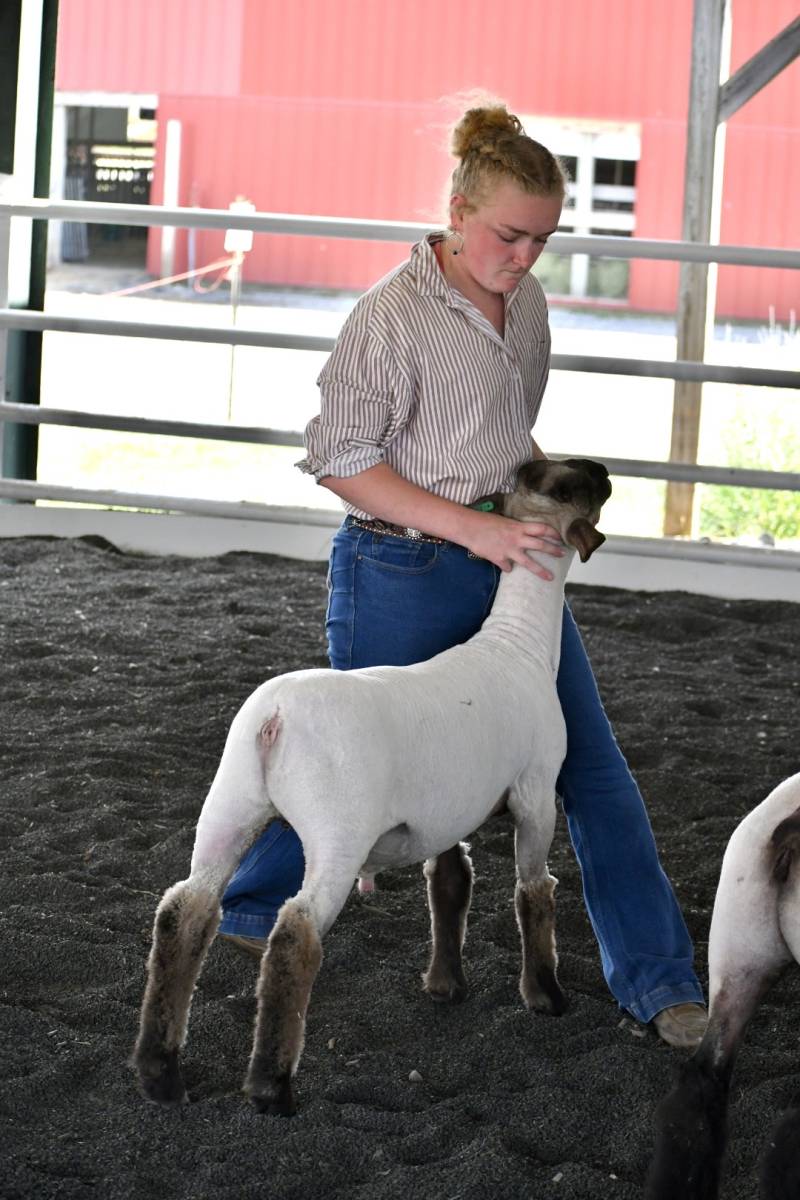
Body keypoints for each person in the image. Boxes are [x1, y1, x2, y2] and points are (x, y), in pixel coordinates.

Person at [219, 101, 707, 1049]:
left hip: (508, 562)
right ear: (456, 210)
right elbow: (338, 459)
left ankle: (658, 980)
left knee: (592, 769)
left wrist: (536, 511)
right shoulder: (390, 317)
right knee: (356, 762)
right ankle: (245, 915)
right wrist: (472, 532)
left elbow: (501, 437)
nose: (525, 258)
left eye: (544, 240)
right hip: (399, 565)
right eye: (509, 235)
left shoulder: (524, 306)